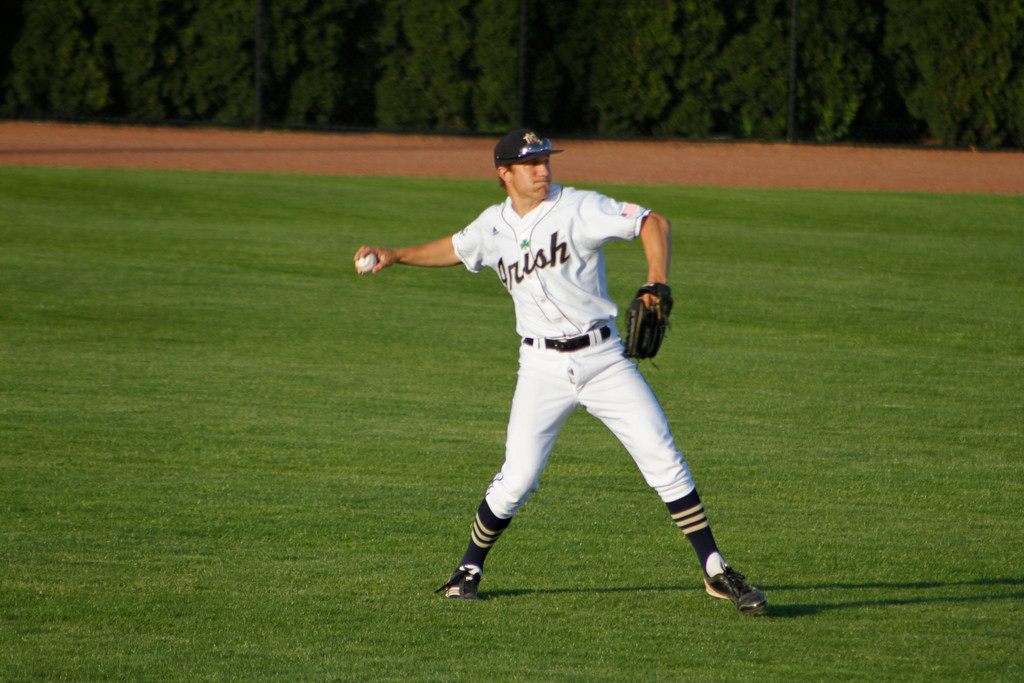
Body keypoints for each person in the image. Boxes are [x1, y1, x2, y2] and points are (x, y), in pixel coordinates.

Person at [353, 129, 766, 614]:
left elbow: (653, 222)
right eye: (530, 164)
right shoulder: (492, 225)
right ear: (504, 173)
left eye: (546, 160)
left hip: (604, 360)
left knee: (662, 456)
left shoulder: (579, 207)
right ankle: (467, 569)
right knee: (517, 479)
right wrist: (398, 255)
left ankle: (715, 570)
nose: (543, 170)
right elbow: (457, 247)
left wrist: (656, 279)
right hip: (541, 368)